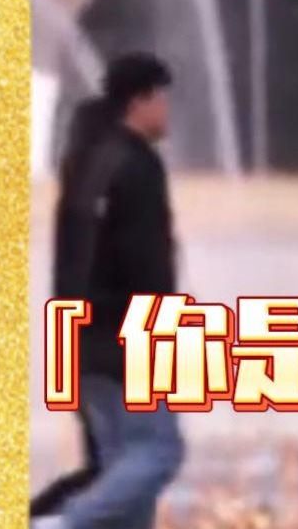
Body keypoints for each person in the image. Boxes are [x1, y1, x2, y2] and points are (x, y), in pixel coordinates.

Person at [33, 53, 185, 529]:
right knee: (158, 451)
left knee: (119, 473)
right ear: (140, 101)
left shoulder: (89, 160)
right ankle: (60, 523)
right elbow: (145, 266)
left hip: (79, 338)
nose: (167, 111)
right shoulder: (135, 166)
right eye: (162, 99)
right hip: (122, 340)